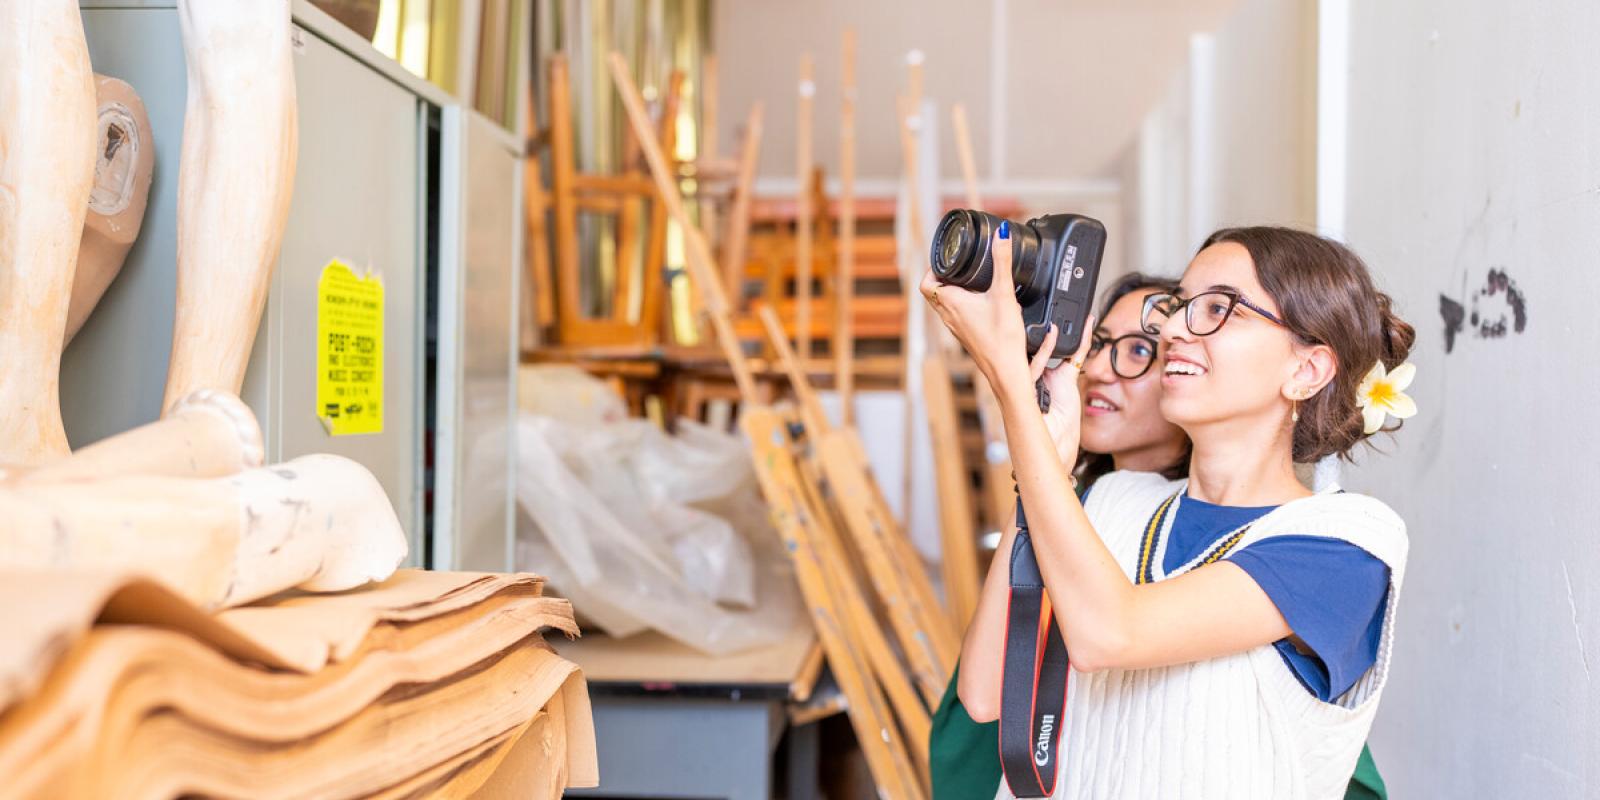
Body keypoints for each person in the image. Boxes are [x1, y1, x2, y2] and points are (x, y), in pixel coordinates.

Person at [923, 225, 1415, 799]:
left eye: (1218, 309)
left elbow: (1111, 633)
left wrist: (1013, 389)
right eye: (1179, 305)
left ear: (1306, 371)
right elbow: (985, 692)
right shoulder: (1111, 498)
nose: (1174, 328)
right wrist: (1046, 464)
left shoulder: (1348, 543)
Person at [929, 273, 1188, 800]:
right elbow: (981, 697)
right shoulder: (1070, 498)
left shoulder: (1209, 530)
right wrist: (1043, 474)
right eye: (1098, 344)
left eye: (1140, 350)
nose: (1098, 370)